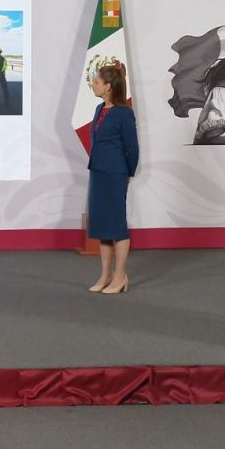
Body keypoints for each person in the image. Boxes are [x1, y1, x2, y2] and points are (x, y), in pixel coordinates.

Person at [86, 61, 139, 295]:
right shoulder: (99, 110)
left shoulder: (124, 113)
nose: (93, 84)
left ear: (108, 86)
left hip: (115, 173)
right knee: (101, 224)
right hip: (97, 172)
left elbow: (133, 148)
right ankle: (105, 275)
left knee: (116, 224)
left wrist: (128, 172)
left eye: (96, 82)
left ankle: (120, 276)